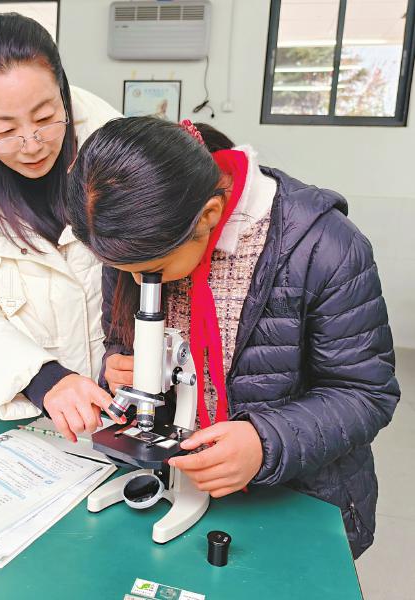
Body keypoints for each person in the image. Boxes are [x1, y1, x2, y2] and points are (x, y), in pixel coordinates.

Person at [66, 116, 400, 558]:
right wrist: (120, 363)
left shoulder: (324, 247)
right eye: (122, 270)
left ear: (208, 216)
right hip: (176, 471)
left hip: (292, 497)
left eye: (152, 270)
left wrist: (264, 442)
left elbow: (365, 393)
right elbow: (120, 336)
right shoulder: (129, 241)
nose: (136, 282)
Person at [0, 13, 124, 439]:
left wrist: (138, 352)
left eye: (45, 117)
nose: (32, 144)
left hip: (132, 411)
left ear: (63, 92)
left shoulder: (123, 161)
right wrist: (41, 377)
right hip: (37, 421)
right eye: (5, 129)